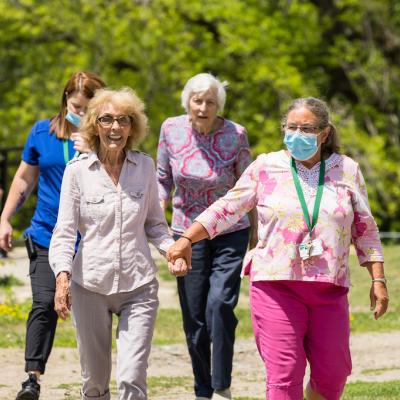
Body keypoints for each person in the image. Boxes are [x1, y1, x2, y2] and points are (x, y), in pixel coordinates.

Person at [168, 97, 389, 400]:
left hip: (329, 288)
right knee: (284, 374)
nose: (297, 134)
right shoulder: (266, 166)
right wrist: (185, 240)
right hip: (275, 285)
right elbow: (228, 208)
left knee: (334, 374)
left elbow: (365, 228)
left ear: (324, 133)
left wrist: (378, 279)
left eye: (307, 128)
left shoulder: (346, 170)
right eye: (291, 127)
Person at [48, 87, 186, 400]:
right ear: (95, 125)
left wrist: (172, 251)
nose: (115, 128)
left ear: (132, 126)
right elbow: (65, 232)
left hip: (139, 285)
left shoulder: (145, 167)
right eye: (107, 120)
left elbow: (154, 225)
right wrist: (62, 278)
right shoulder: (77, 172)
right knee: (95, 382)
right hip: (90, 286)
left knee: (132, 377)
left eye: (123, 120)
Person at [0, 71, 105, 400]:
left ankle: (95, 385)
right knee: (44, 304)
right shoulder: (42, 133)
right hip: (47, 234)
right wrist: (5, 218)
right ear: (65, 100)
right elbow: (23, 179)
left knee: (92, 317)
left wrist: (95, 149)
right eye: (76, 106)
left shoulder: (110, 137)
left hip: (92, 239)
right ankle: (32, 380)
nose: (81, 113)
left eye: (88, 108)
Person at [157, 73, 257, 400]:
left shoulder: (236, 135)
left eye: (210, 102)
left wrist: (256, 232)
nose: (203, 107)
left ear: (219, 106)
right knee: (194, 316)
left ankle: (221, 385)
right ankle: (203, 389)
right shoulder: (170, 130)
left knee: (220, 305)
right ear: (187, 101)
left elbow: (248, 186)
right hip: (187, 234)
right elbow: (162, 180)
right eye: (197, 100)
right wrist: (158, 225)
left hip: (230, 232)